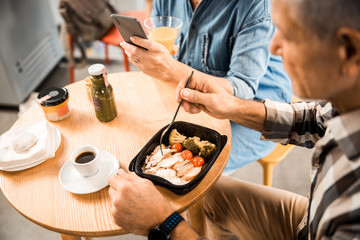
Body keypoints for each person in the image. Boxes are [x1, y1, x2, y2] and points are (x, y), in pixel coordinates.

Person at [108, 0, 360, 239]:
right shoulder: (346, 107)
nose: (273, 47)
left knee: (184, 192)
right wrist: (232, 107)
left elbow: (244, 83)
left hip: (319, 227)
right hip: (310, 219)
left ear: (349, 50)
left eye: (289, 33)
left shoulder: (351, 215)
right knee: (203, 190)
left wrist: (165, 224)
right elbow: (316, 120)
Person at [119, 0, 293, 172]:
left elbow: (241, 90)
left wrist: (172, 69)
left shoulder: (256, 5)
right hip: (188, 92)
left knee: (189, 169)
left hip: (255, 109)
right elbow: (164, 45)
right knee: (140, 148)